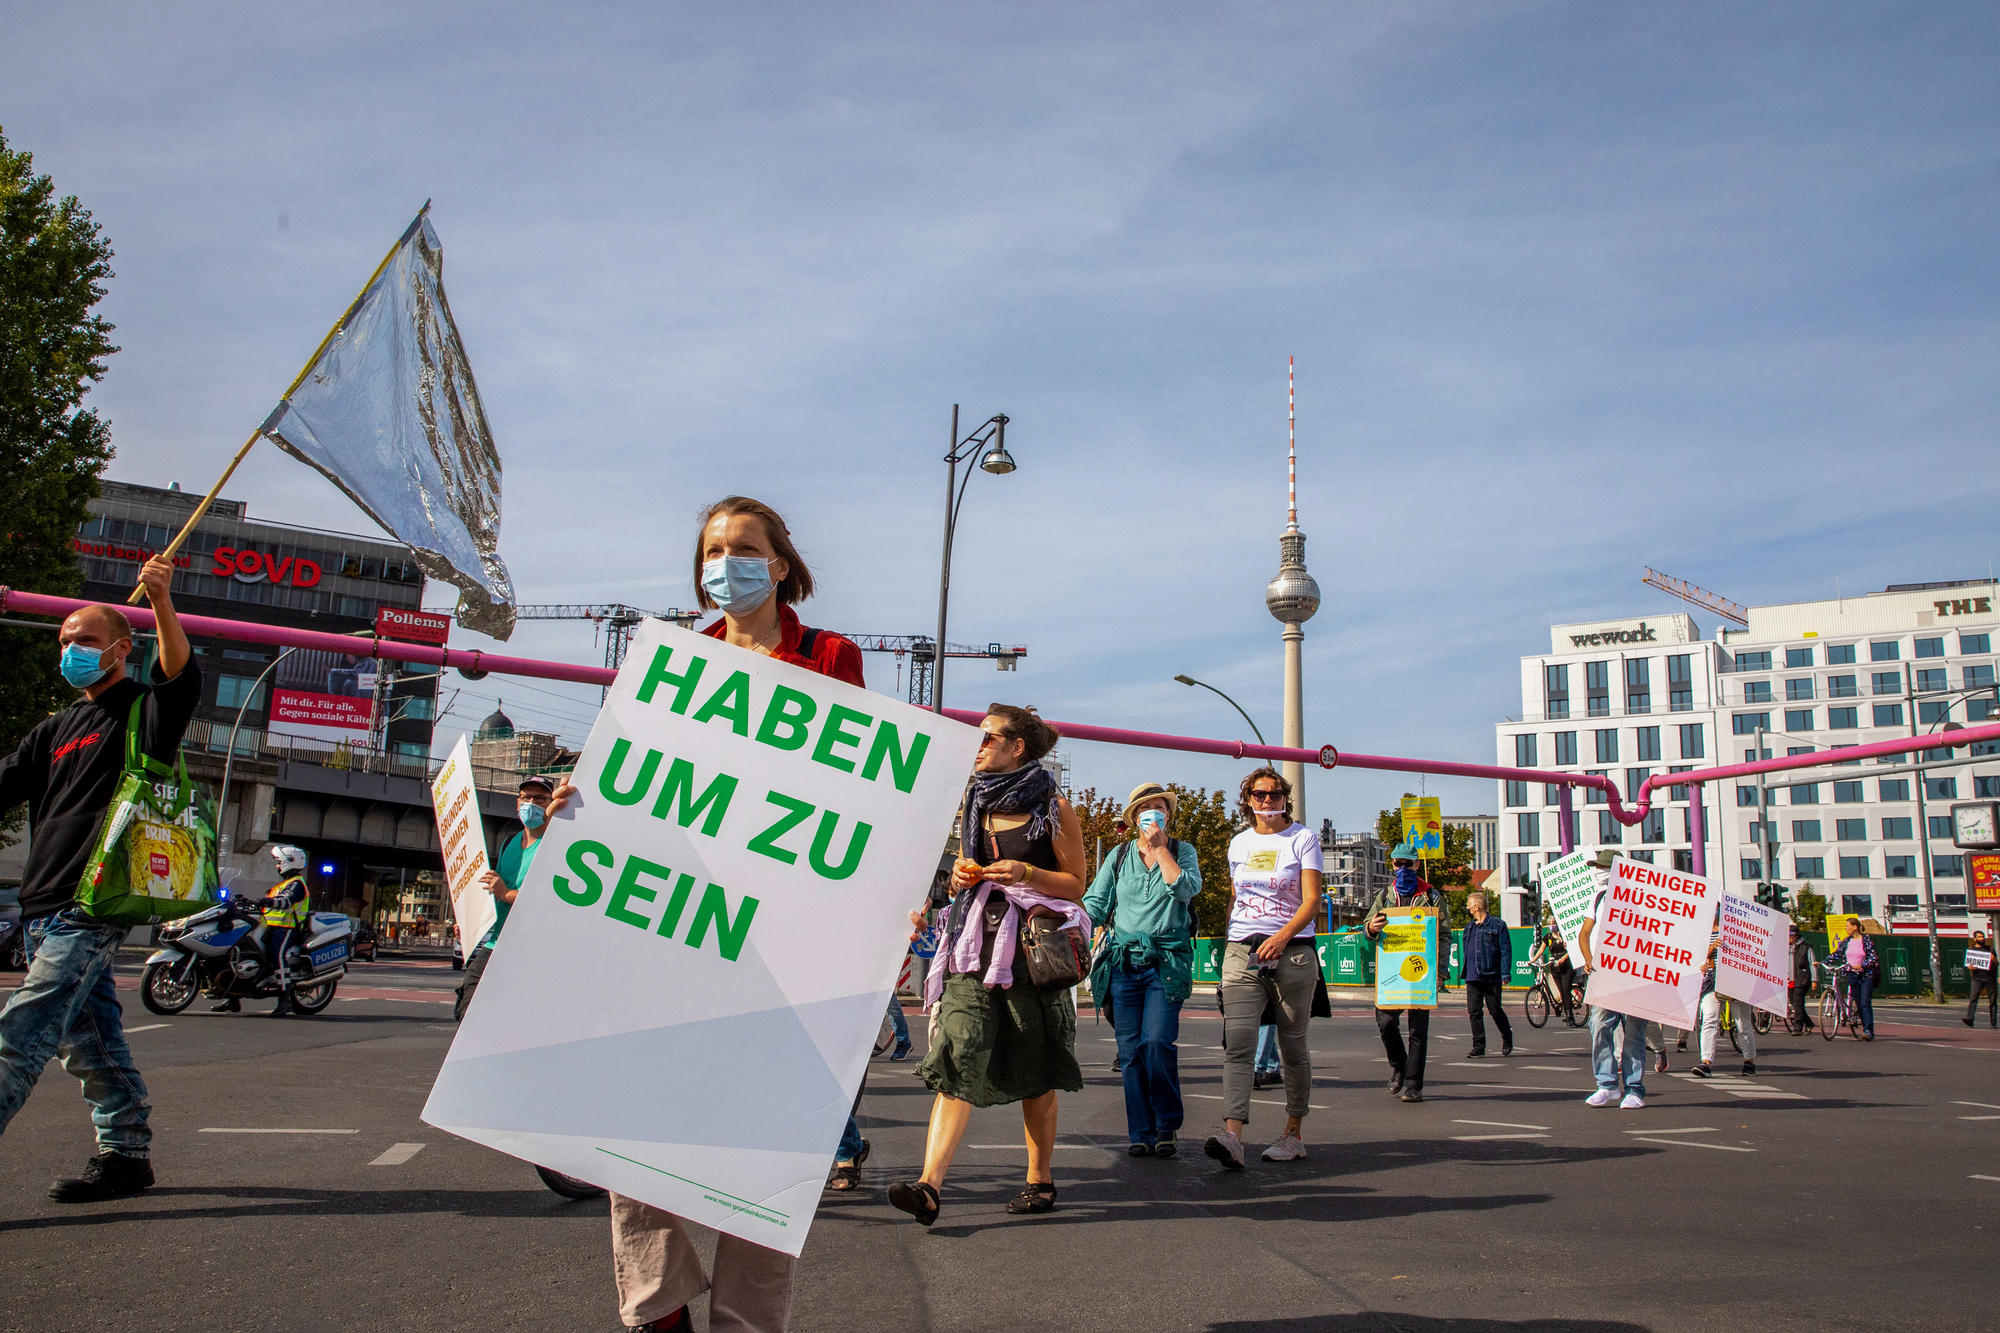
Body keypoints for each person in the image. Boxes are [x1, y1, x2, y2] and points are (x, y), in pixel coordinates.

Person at [555, 497, 864, 1333]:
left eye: (744, 547)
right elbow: (640, 777)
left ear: (781, 564)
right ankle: (659, 1307)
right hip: (683, 925)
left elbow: (856, 798)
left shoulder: (829, 656)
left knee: (766, 1149)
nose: (726, 563)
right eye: (714, 550)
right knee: (627, 1127)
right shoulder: (677, 663)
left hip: (785, 938)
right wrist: (581, 805)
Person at [0, 556, 198, 1201]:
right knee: (90, 1044)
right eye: (65, 641)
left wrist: (162, 601)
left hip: (92, 901)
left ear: (121, 647)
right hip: (40, 906)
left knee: (19, 1035)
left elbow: (181, 676)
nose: (73, 651)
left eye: (86, 640)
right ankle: (126, 1156)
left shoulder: (146, 710)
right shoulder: (54, 731)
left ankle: (125, 1153)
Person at [889, 704, 1088, 1223]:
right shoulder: (975, 800)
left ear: (1016, 747)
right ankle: (929, 1186)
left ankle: (1039, 1180)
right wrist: (961, 876)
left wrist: (1027, 872)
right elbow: (965, 870)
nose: (976, 747)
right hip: (973, 946)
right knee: (959, 1051)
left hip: (1031, 954)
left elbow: (1075, 884)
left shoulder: (1054, 807)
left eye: (987, 738)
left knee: (1037, 1065)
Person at [1205, 767, 1323, 1167]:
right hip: (1243, 950)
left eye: (1275, 794)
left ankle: (1293, 1133)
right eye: (1259, 794)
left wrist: (1283, 936)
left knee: (1292, 1045)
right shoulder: (1238, 843)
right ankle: (1232, 1136)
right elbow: (1236, 897)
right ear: (1248, 800)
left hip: (1292, 952)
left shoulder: (1303, 839)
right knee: (1238, 1042)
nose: (1268, 800)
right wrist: (1229, 943)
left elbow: (1312, 901)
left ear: (1285, 798)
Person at [1084, 781, 1201, 1157]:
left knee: (1156, 1042)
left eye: (1161, 808)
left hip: (1166, 964)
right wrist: (1073, 924)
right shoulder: (1119, 856)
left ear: (1168, 816)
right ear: (1135, 817)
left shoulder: (1182, 851)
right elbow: (1096, 902)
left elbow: (1186, 889)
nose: (1154, 813)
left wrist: (1161, 849)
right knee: (1130, 1051)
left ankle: (1166, 1125)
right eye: (1147, 808)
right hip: (1124, 963)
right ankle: (1141, 1132)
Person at [453, 775, 554, 1017]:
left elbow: (550, 901)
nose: (531, 803)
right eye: (526, 797)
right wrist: (470, 924)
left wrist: (506, 893)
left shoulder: (554, 845)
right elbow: (493, 891)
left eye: (540, 798)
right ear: (517, 803)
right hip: (495, 944)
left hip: (530, 949)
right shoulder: (509, 842)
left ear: (551, 804)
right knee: (467, 1008)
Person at [1362, 844, 1444, 1105]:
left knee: (1418, 1031)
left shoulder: (1431, 896)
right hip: (1391, 972)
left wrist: (1441, 973)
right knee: (1385, 1023)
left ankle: (1413, 1085)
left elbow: (1444, 935)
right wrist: (1371, 927)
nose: (1403, 868)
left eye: (1408, 864)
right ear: (1393, 864)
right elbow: (1366, 927)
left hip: (1422, 971)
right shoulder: (1385, 895)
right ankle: (1399, 1065)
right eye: (1399, 863)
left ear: (1417, 865)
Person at [1576, 848, 1648, 1109]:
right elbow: (1584, 933)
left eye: (1602, 867)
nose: (1597, 872)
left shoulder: (1641, 898)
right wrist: (1588, 958)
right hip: (1604, 976)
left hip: (1635, 977)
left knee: (1634, 1033)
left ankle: (1634, 1089)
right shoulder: (1598, 898)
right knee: (1598, 1026)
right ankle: (1606, 1085)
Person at [214, 845, 311, 1015]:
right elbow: (267, 904)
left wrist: (267, 902)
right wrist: (248, 902)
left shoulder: (297, 885)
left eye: (279, 862)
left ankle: (285, 1000)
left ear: (289, 862)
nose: (277, 866)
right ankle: (232, 998)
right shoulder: (283, 884)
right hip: (269, 927)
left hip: (286, 929)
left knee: (277, 955)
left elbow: (285, 902)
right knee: (239, 951)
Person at [1460, 891, 1514, 1057]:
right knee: (1474, 1011)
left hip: (1491, 974)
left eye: (1469, 905)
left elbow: (1505, 950)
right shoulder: (1469, 927)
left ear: (1476, 907)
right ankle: (1479, 1046)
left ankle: (1507, 1035)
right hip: (1472, 976)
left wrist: (1505, 973)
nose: (1468, 908)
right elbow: (1466, 949)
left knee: (1494, 1009)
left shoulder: (1497, 925)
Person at [1692, 939, 1756, 1078]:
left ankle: (1749, 1061)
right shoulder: (1705, 930)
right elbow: (1697, 954)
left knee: (1742, 1024)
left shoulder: (1740, 928)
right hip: (1713, 981)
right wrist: (1703, 963)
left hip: (1737, 980)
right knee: (1709, 1018)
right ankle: (1706, 1062)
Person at [1529, 913, 1578, 1026]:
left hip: (1566, 966)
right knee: (1561, 990)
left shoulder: (1564, 935)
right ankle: (1561, 1007)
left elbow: (1571, 950)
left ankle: (1570, 1016)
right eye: (1550, 924)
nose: (1552, 926)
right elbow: (1541, 949)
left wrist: (1561, 959)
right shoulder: (1548, 937)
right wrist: (1532, 960)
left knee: (1565, 990)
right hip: (1554, 966)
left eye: (1554, 923)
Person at [1835, 916, 1878, 1040]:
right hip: (1852, 975)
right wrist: (1822, 962)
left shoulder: (1866, 940)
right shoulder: (1846, 941)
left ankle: (1868, 1030)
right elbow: (1837, 954)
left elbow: (1873, 957)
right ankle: (1864, 1027)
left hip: (1866, 975)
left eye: (1847, 926)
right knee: (1858, 1003)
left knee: (1865, 1002)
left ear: (1855, 927)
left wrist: (1863, 965)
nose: (1846, 928)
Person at [1965, 929, 1996, 1029]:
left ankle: (1993, 1022)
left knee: (1992, 1000)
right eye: (1979, 937)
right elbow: (1969, 965)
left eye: (1983, 937)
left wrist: (1993, 960)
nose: (1982, 939)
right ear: (1975, 939)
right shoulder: (1972, 950)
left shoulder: (1990, 949)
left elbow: (1997, 963)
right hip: (1977, 978)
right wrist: (1970, 967)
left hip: (1989, 978)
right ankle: (1969, 1018)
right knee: (1973, 998)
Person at [1788, 923, 1815, 1033]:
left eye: (1791, 935)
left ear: (1796, 935)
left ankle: (1797, 1027)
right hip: (1790, 980)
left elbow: (1812, 963)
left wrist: (1814, 980)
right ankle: (1809, 1023)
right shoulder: (1785, 948)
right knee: (1794, 1003)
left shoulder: (1806, 947)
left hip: (1802, 979)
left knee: (1798, 1002)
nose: (1789, 938)